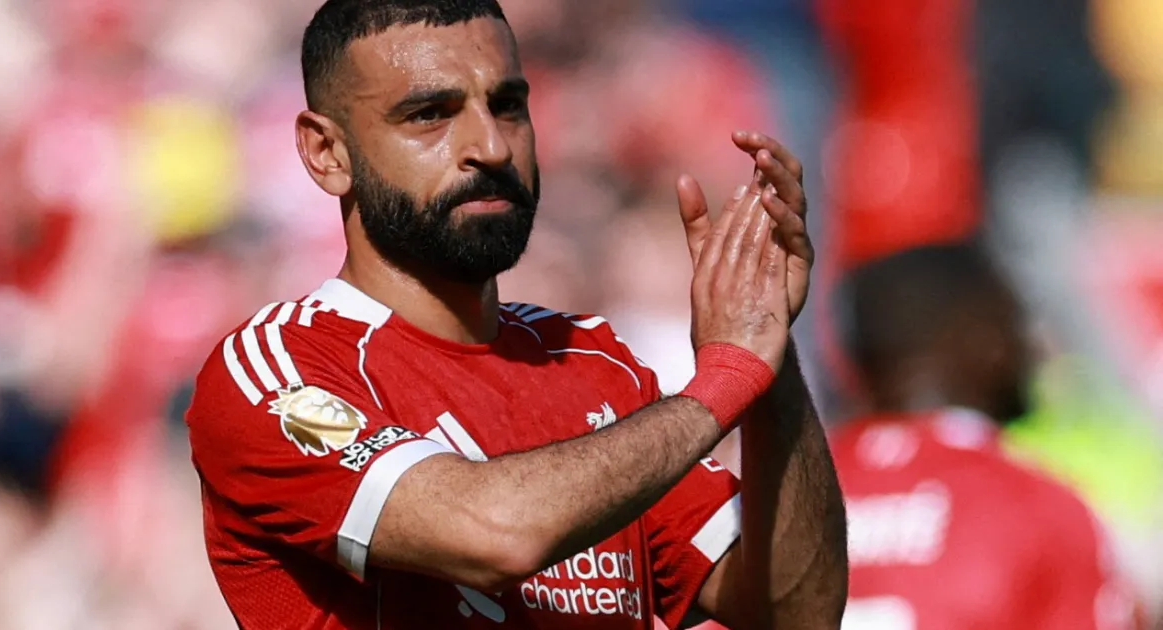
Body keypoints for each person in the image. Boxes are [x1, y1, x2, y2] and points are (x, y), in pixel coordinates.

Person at [184, 1, 848, 628]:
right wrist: (729, 377)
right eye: (429, 114)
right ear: (327, 153)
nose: (492, 147)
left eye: (507, 106)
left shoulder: (595, 362)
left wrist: (768, 354)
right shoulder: (276, 372)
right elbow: (495, 535)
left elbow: (796, 612)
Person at [831, 244, 1141, 630]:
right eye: (1017, 323)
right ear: (984, 340)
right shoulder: (1039, 508)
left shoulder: (779, 492)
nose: (1033, 349)